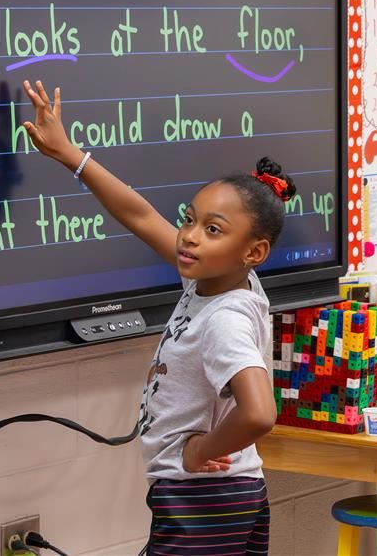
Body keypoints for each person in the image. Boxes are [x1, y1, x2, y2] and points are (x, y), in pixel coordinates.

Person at [22, 81, 286, 556]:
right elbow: (140, 214)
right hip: (224, 494)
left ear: (254, 251)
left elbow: (260, 412)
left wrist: (198, 453)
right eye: (189, 219)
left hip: (205, 497)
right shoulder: (216, 279)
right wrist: (70, 155)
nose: (189, 237)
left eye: (212, 229)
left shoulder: (224, 316)